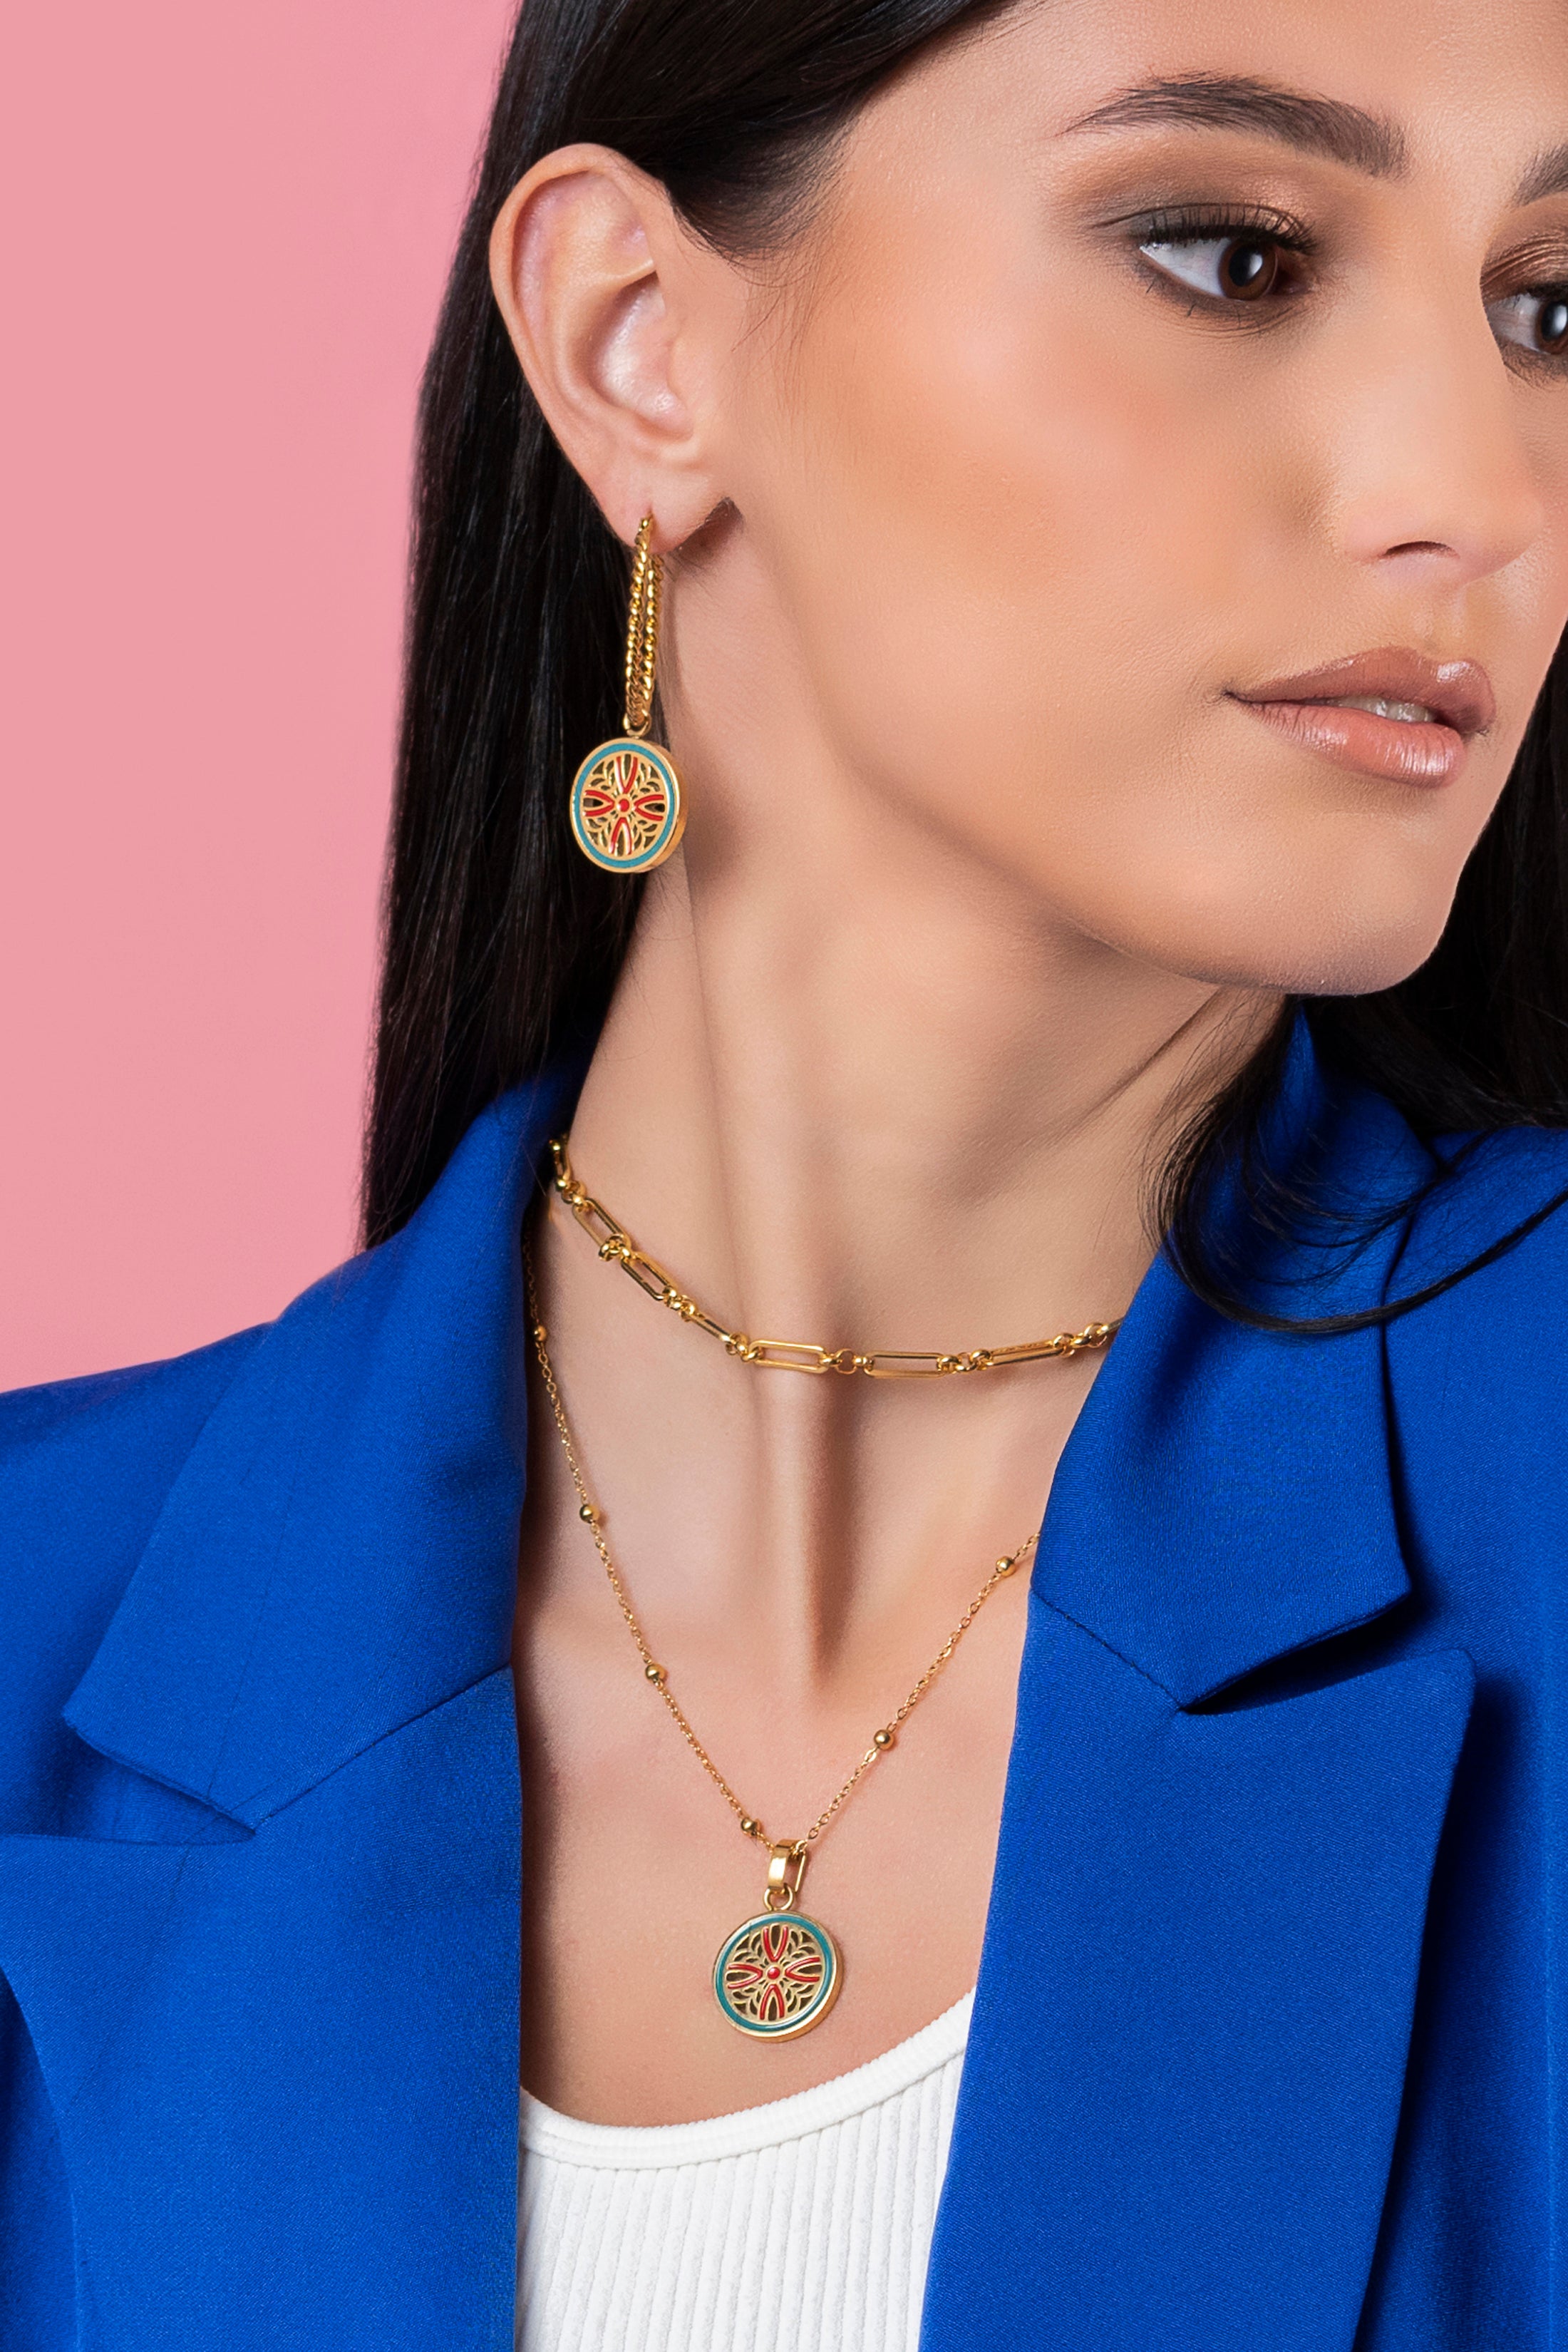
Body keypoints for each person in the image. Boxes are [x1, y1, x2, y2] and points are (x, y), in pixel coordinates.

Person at [6, 0, 1568, 2343]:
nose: (1480, 489)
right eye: (1235, 254)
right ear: (637, 342)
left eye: (1551, 311)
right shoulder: (45, 1607)